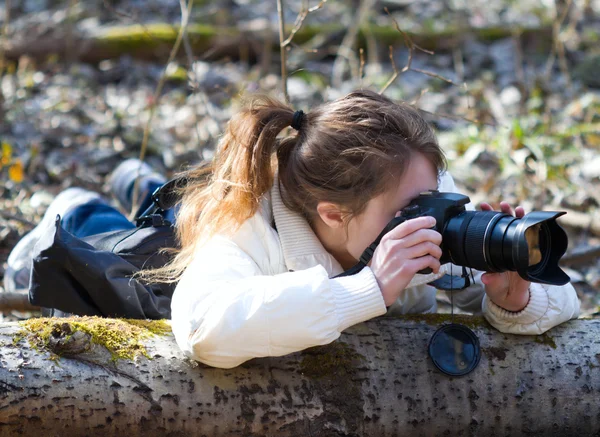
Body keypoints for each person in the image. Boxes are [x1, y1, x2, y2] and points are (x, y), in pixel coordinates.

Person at [4, 90, 580, 369]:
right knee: (133, 250)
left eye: (437, 195)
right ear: (333, 215)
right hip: (171, 256)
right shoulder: (249, 233)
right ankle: (82, 207)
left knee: (169, 203)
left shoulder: (404, 193)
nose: (431, 218)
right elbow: (204, 329)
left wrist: (515, 295)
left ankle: (142, 179)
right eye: (414, 207)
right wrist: (370, 289)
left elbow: (566, 301)